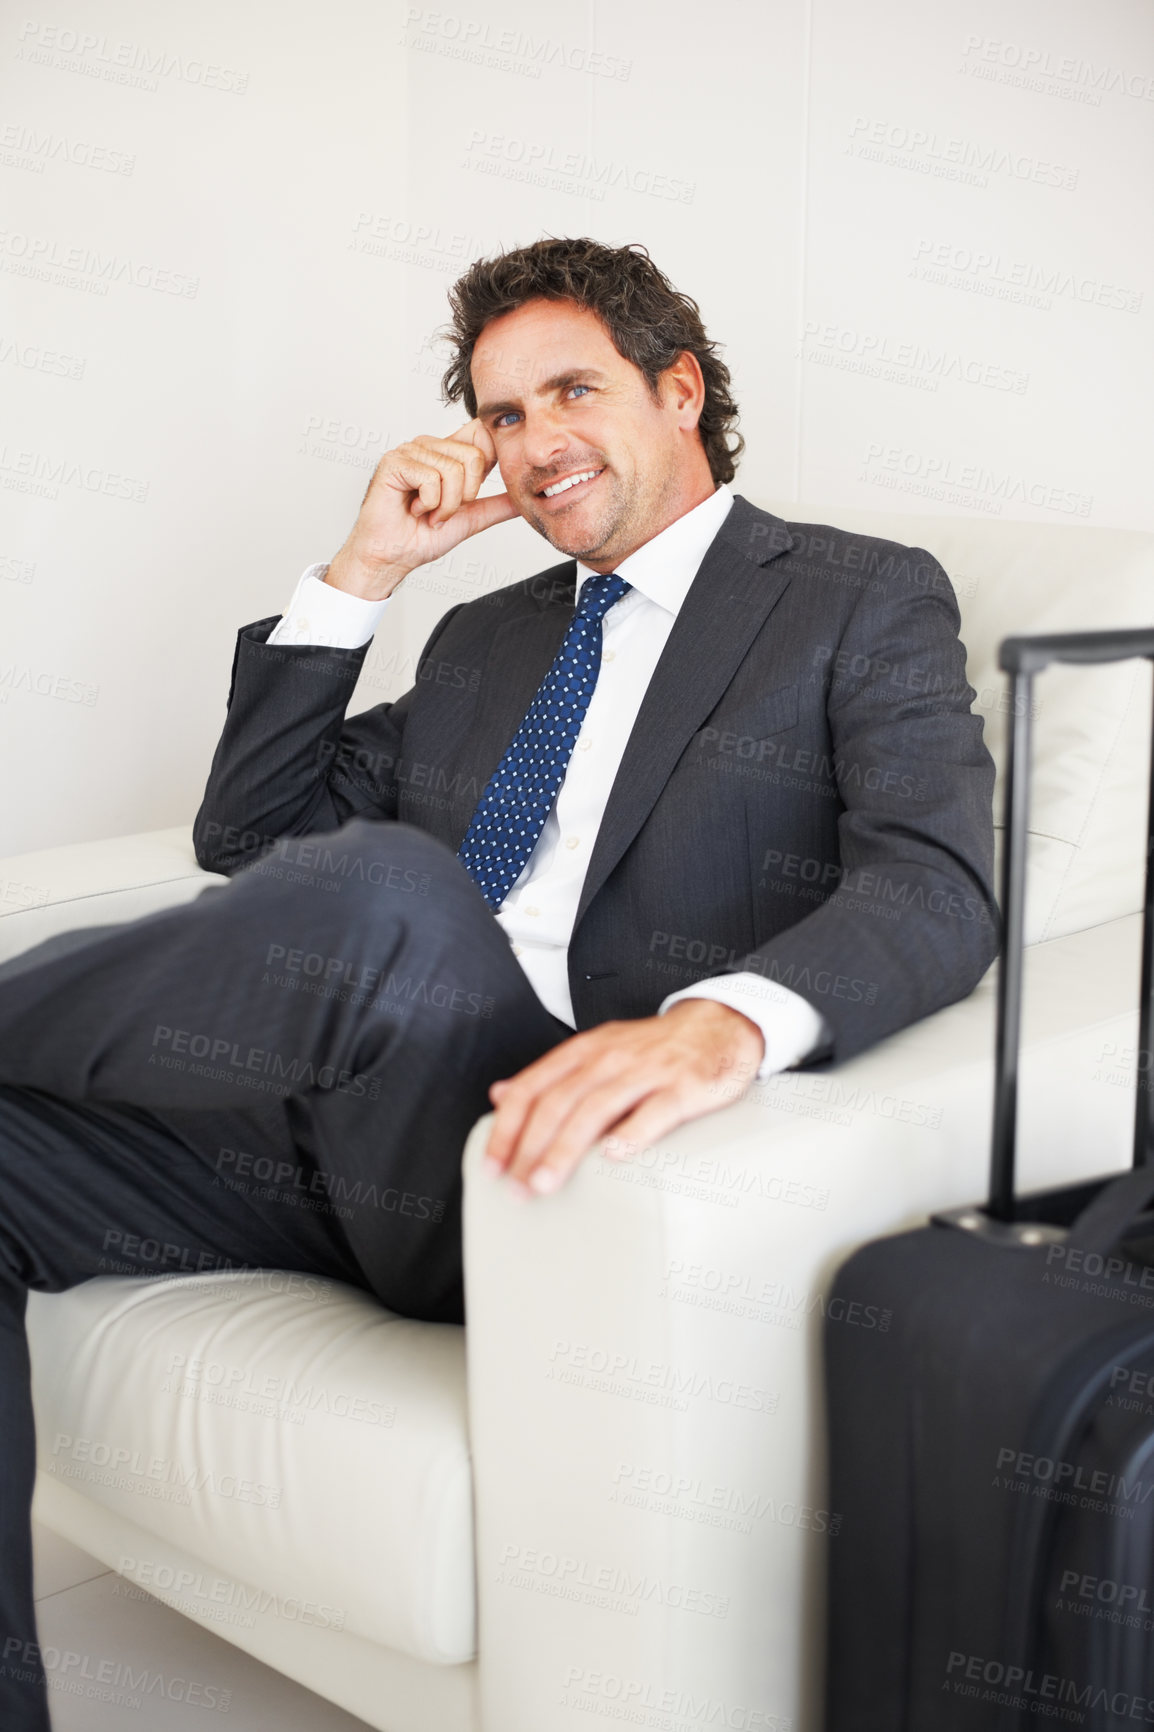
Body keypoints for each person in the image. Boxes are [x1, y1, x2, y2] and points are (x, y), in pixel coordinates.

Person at [0, 236, 995, 1729]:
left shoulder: (853, 597)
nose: (529, 445)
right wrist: (365, 573)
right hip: (330, 1138)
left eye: (567, 392)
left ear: (680, 391)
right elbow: (252, 835)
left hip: (530, 1157)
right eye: (499, 413)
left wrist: (723, 1022)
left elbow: (935, 879)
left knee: (394, 888)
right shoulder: (482, 634)